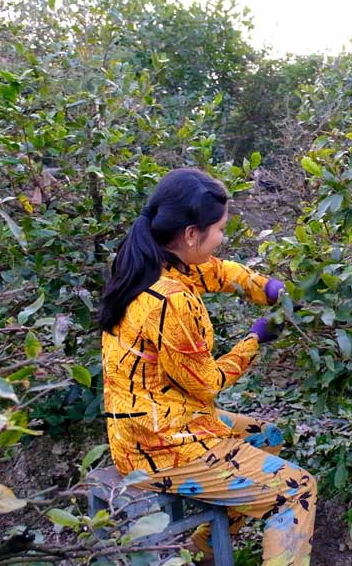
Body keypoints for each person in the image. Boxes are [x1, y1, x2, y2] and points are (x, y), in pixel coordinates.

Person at [98, 168, 316, 566]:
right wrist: (255, 340)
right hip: (162, 445)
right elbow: (207, 385)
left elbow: (219, 271)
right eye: (219, 229)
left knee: (266, 435)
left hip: (143, 426)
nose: (223, 238)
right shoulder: (170, 301)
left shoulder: (148, 262)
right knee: (297, 488)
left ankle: (204, 551)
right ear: (191, 234)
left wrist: (264, 286)